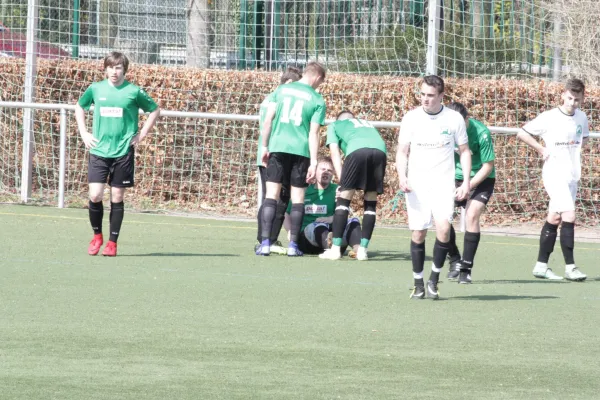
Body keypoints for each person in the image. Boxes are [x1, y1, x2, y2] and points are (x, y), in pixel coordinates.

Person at [75, 51, 160, 257]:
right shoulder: (96, 89)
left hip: (122, 152)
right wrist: (84, 132)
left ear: (124, 70)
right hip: (98, 151)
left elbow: (155, 110)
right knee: (95, 195)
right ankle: (97, 236)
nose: (114, 71)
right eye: (111, 67)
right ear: (105, 69)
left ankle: (112, 243)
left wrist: (142, 134)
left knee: (116, 195)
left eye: (118, 67)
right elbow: (79, 107)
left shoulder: (133, 91)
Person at [396, 75, 471, 300]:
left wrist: (466, 181)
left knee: (443, 229)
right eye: (422, 94)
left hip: (443, 184)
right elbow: (402, 151)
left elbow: (465, 151)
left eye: (430, 95)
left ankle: (434, 280)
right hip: (417, 185)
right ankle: (418, 283)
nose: (425, 99)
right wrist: (402, 175)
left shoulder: (454, 119)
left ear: (441, 96)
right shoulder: (411, 118)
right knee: (418, 233)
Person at [516, 78, 590, 281]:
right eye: (569, 98)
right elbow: (522, 133)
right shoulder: (549, 117)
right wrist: (541, 149)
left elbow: (583, 138)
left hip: (572, 175)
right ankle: (570, 267)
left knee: (554, 218)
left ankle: (541, 266)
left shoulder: (582, 117)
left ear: (582, 99)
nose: (572, 103)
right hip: (554, 174)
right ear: (562, 95)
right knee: (569, 215)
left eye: (576, 99)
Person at [256, 61, 327, 257]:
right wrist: (314, 162)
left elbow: (268, 120)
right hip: (301, 152)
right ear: (318, 78)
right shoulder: (317, 99)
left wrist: (265, 146)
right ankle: (293, 246)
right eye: (321, 82)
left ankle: (264, 244)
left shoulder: (281, 90)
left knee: (271, 196)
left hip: (277, 148)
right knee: (297, 200)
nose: (319, 86)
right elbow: (314, 133)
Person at [319, 110, 387, 261]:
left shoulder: (335, 125)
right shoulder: (367, 124)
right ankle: (362, 250)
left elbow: (335, 153)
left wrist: (342, 182)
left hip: (357, 151)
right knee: (370, 201)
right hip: (381, 152)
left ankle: (335, 249)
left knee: (344, 199)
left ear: (339, 119)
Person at [444, 102, 496, 284]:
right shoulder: (446, 129)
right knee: (442, 216)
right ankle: (455, 259)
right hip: (453, 177)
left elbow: (488, 165)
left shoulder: (482, 133)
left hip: (481, 178)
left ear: (467, 119)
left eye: (460, 122)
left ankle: (466, 268)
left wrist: (468, 185)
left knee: (472, 215)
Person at [255, 67, 302, 255]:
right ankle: (267, 240)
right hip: (275, 154)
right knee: (276, 198)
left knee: (272, 197)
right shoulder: (279, 98)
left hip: (268, 151)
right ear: (290, 83)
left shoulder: (271, 97)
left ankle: (266, 240)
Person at [284, 157, 362, 256]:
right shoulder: (304, 190)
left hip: (335, 238)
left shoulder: (337, 190)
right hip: (308, 239)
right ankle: (329, 247)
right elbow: (287, 213)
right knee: (318, 225)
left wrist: (332, 218)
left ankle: (359, 250)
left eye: (329, 170)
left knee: (353, 221)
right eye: (322, 169)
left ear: (333, 174)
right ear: (315, 171)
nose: (326, 172)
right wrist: (290, 231)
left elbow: (344, 212)